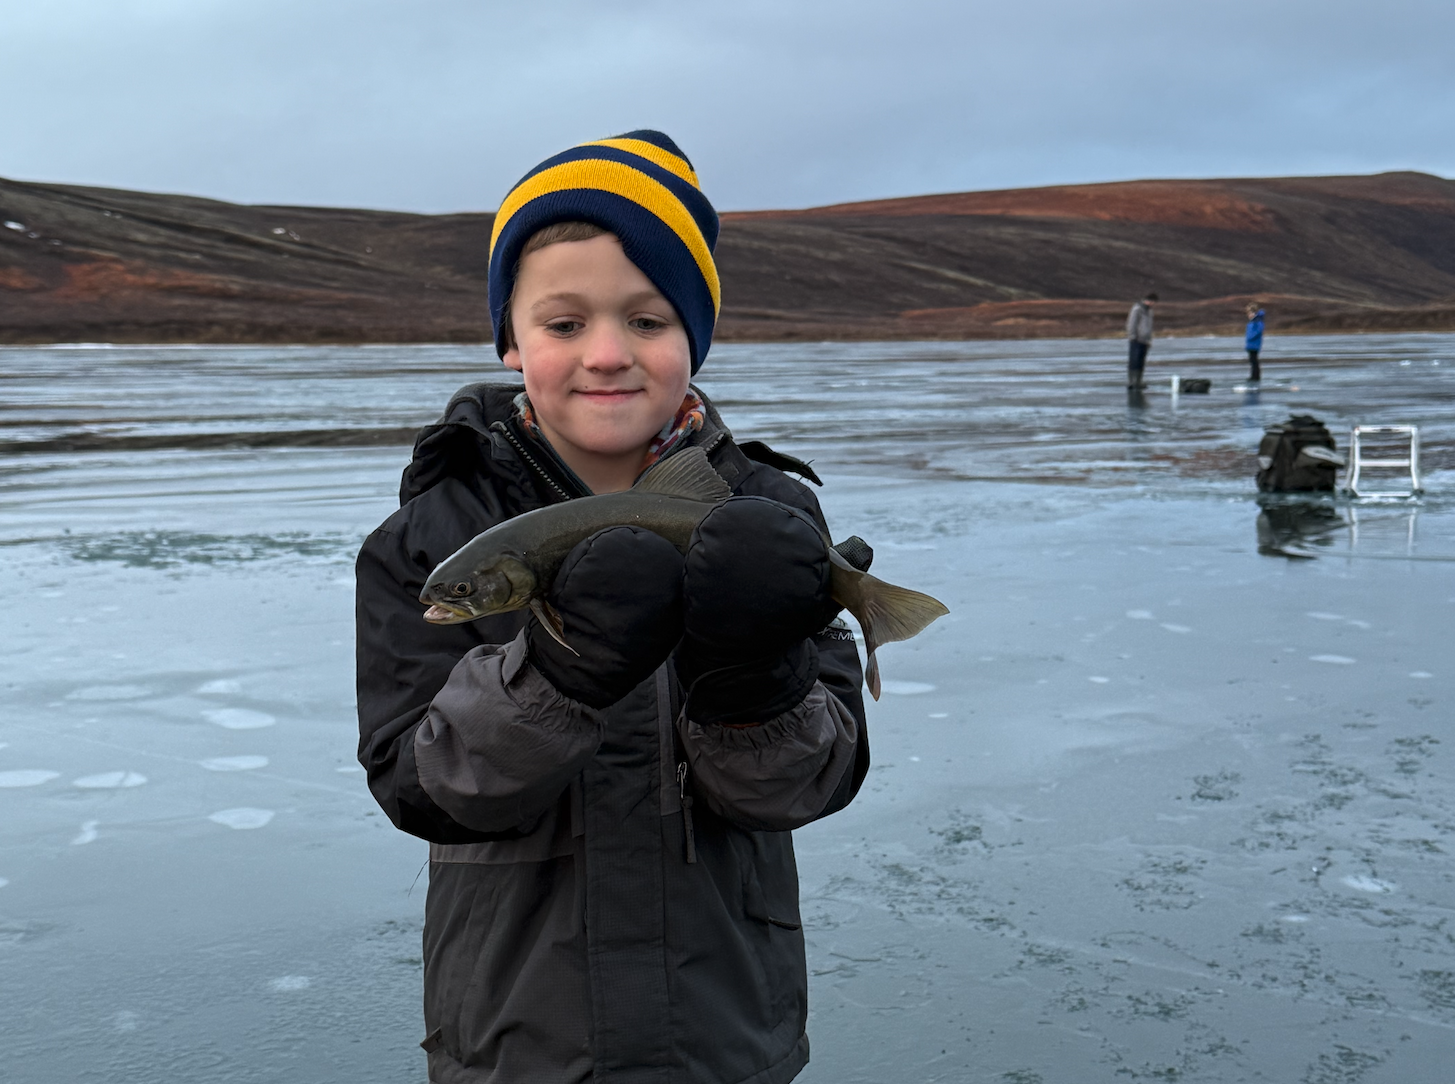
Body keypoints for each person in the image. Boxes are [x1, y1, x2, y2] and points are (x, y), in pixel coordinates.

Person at [355, 131, 869, 1084]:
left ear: (694, 339)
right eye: (562, 324)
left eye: (646, 320)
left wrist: (755, 680)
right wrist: (555, 675)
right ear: (510, 340)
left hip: (727, 1037)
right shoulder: (431, 537)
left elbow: (810, 784)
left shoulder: (772, 514)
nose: (605, 355)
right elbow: (419, 789)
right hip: (515, 1043)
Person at [1126, 291, 1157, 389]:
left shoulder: (1149, 311)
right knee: (1134, 360)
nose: (1153, 304)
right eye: (1152, 301)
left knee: (1141, 361)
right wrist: (1132, 336)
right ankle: (1132, 382)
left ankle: (1138, 381)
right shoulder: (1137, 309)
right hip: (1136, 339)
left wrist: (1149, 339)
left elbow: (1149, 326)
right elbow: (1131, 323)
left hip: (1145, 340)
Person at [1245, 303, 1265, 382]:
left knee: (1254, 361)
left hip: (1254, 344)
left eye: (1250, 313)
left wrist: (1250, 337)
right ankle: (1253, 375)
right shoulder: (1252, 322)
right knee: (1252, 361)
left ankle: (1255, 376)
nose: (1249, 315)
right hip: (1251, 344)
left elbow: (1257, 331)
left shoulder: (1257, 322)